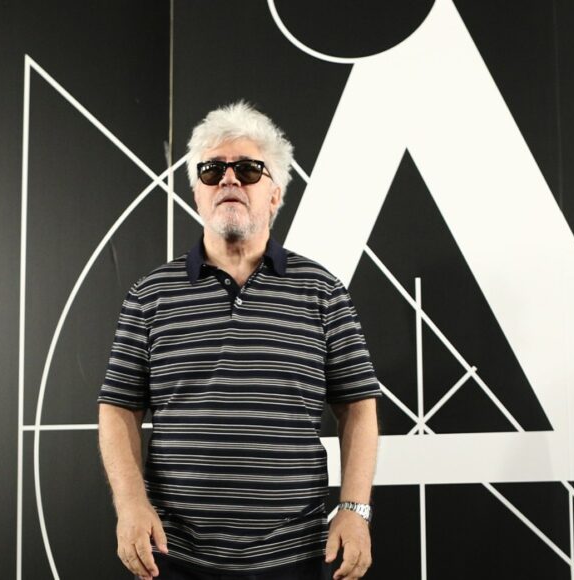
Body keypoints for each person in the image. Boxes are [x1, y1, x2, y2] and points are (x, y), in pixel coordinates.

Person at [97, 101, 381, 580]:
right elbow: (118, 408)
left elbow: (358, 406)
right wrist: (129, 505)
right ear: (197, 193)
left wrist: (355, 510)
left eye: (248, 169)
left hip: (296, 557)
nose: (229, 180)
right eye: (212, 171)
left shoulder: (322, 291)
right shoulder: (150, 296)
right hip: (175, 557)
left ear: (275, 193)